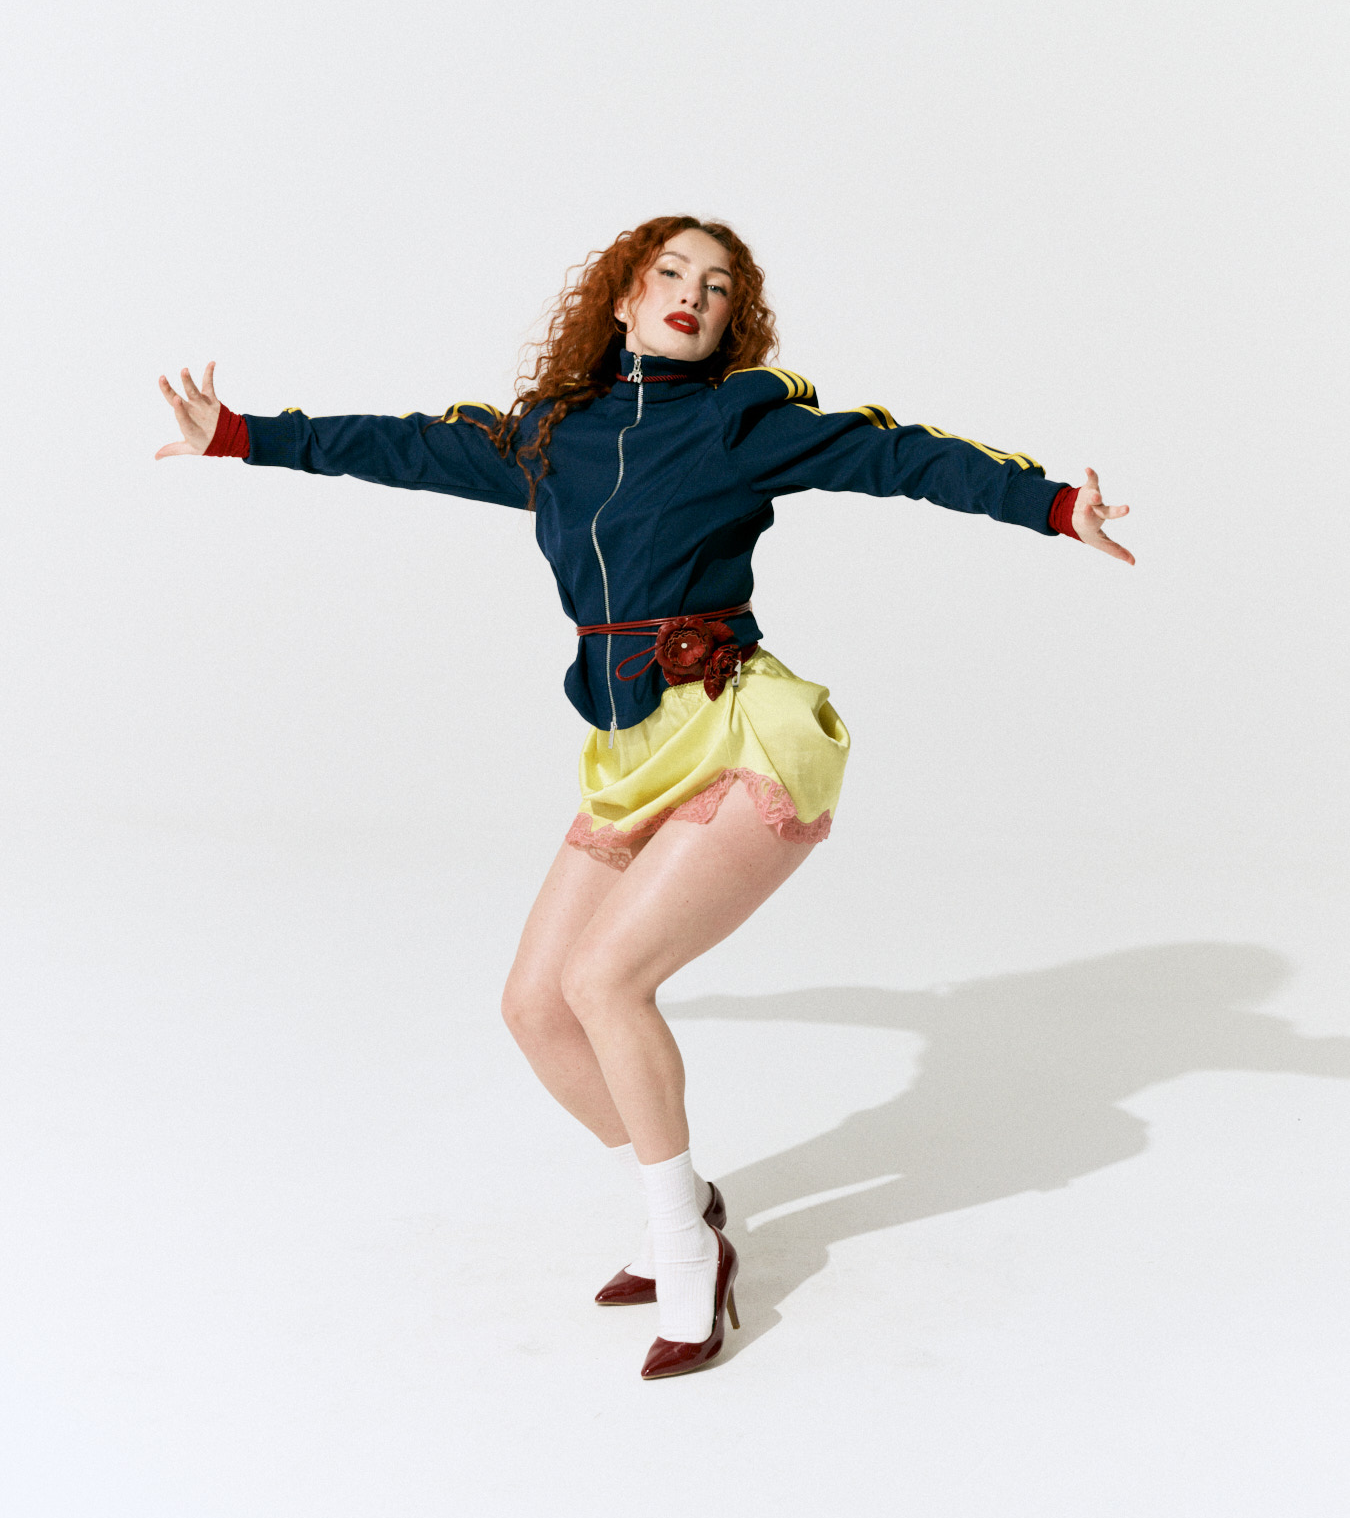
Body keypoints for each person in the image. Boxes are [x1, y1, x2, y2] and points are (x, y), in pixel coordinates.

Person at [157, 214, 1132, 1380]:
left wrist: (1052, 505)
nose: (692, 294)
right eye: (671, 273)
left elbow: (904, 456)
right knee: (537, 1006)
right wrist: (239, 435)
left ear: (731, 322)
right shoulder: (549, 438)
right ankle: (691, 1201)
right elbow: (402, 446)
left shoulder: (738, 422)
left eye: (717, 287)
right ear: (623, 297)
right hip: (632, 752)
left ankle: (682, 1248)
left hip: (741, 731)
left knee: (606, 982)